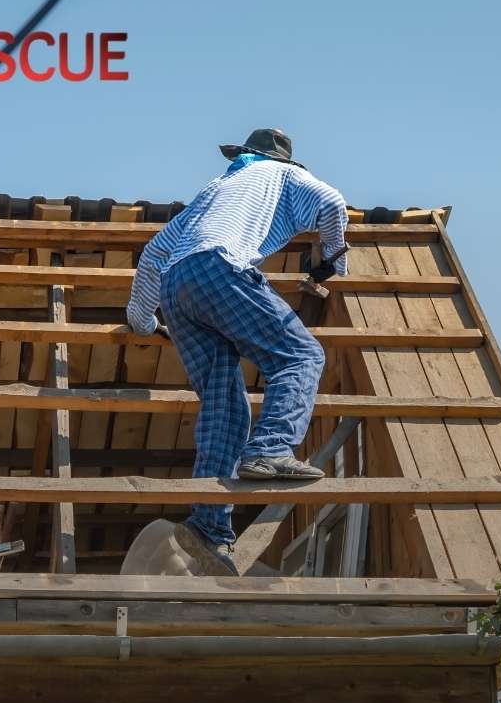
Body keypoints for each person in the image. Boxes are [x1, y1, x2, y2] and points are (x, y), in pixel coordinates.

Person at [126, 128, 349, 575]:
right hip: (220, 267)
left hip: (176, 289)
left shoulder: (215, 190)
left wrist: (145, 323)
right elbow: (333, 203)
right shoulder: (280, 173)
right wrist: (332, 261)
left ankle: (208, 527)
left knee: (223, 403)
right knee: (301, 356)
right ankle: (271, 448)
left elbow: (152, 255)